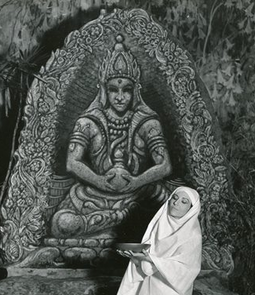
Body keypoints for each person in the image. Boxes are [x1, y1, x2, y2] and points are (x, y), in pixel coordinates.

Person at [50, 34, 172, 238]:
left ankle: (109, 231)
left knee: (164, 206)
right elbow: (72, 163)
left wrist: (136, 181)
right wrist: (98, 181)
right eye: (114, 90)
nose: (120, 96)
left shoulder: (147, 122)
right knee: (63, 223)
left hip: (138, 193)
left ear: (136, 92)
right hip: (92, 197)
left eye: (127, 90)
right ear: (104, 90)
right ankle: (123, 228)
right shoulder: (88, 122)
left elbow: (165, 166)